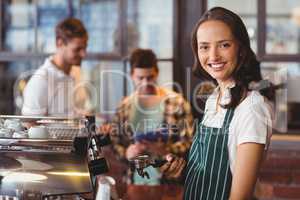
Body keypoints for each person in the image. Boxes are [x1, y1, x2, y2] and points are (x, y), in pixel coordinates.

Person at [160, 7, 273, 200]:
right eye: (204, 46)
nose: (213, 56)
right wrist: (182, 173)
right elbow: (210, 174)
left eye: (224, 45)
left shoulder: (252, 107)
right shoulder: (215, 97)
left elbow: (240, 196)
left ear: (241, 48)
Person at [110, 48, 194, 185]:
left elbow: (190, 142)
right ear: (131, 75)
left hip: (169, 182)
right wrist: (126, 153)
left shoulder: (177, 102)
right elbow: (114, 143)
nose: (145, 83)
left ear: (157, 73)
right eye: (140, 78)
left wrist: (166, 150)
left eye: (150, 77)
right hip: (133, 182)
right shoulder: (124, 106)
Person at [22, 18, 88, 117]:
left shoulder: (76, 71)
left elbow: (77, 110)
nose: (83, 54)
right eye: (77, 49)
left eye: (85, 47)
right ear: (59, 43)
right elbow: (29, 125)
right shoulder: (41, 80)